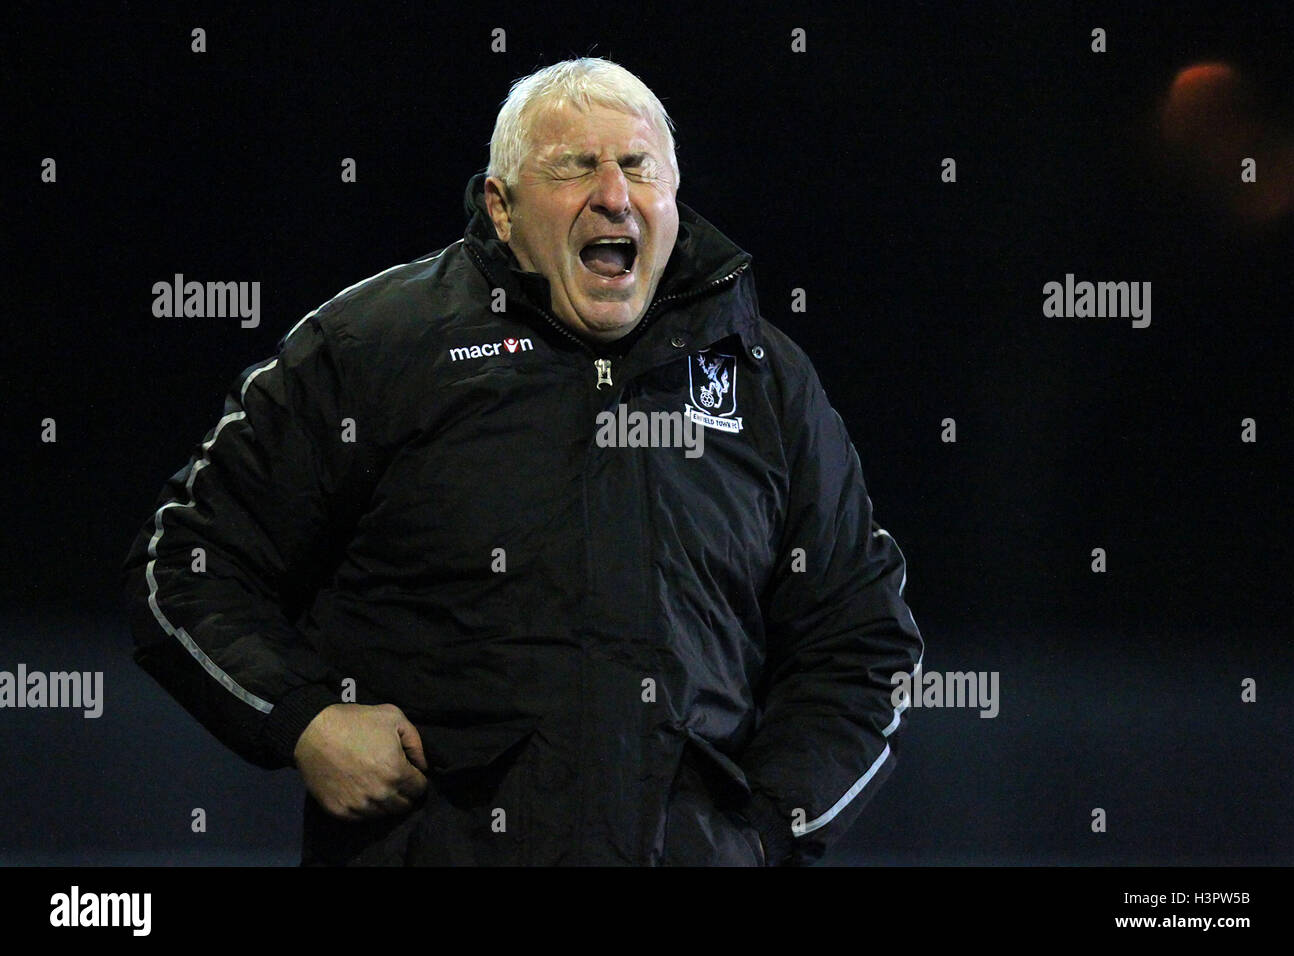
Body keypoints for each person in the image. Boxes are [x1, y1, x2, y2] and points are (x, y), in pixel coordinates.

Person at [122, 57, 925, 866]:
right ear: (501, 208)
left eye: (638, 167)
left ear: (672, 198)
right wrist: (302, 718)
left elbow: (861, 645)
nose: (614, 194)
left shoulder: (763, 380)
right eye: (575, 166)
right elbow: (185, 564)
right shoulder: (376, 347)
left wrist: (762, 835)